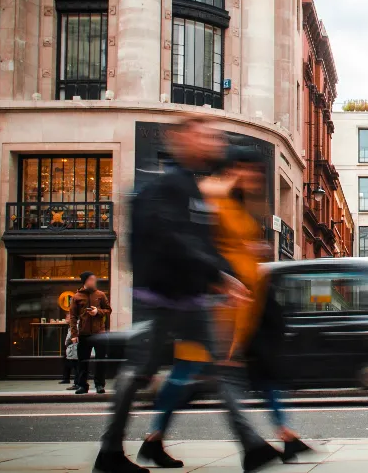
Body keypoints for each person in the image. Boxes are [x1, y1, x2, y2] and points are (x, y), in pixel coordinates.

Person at [94, 116, 280, 473]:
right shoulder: (169, 186)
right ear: (180, 138)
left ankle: (251, 445)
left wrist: (226, 275)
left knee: (222, 371)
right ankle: (110, 451)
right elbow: (173, 240)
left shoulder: (193, 188)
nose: (214, 142)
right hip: (164, 298)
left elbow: (203, 243)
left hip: (193, 299)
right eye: (205, 136)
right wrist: (220, 276)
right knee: (139, 373)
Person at [142, 146, 311, 465]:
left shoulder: (236, 202)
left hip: (240, 307)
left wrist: (251, 250)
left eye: (259, 173)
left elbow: (230, 247)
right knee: (195, 373)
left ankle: (156, 439)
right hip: (215, 304)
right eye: (250, 170)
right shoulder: (213, 196)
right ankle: (255, 446)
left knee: (199, 374)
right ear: (235, 167)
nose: (256, 178)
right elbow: (200, 246)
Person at [70, 271, 112, 394]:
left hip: (100, 333)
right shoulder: (76, 297)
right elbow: (73, 317)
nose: (94, 282)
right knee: (83, 361)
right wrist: (74, 334)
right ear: (85, 281)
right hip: (84, 334)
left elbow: (108, 310)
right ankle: (83, 385)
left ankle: (99, 385)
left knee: (100, 361)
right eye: (91, 280)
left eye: (94, 279)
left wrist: (97, 312)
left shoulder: (101, 295)